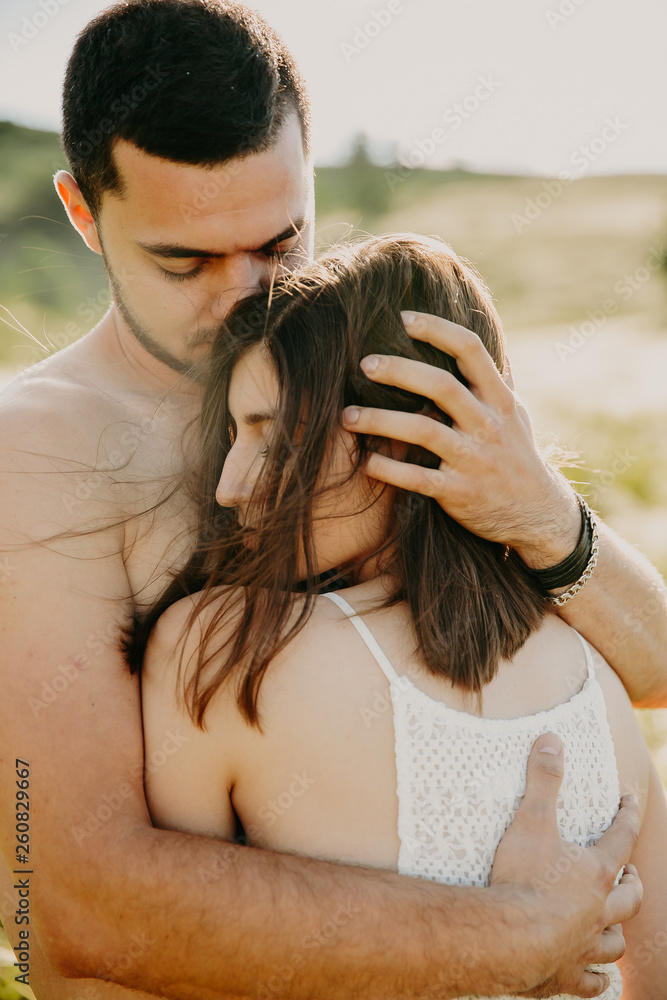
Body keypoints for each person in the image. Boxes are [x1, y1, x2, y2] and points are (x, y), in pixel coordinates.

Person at [0, 0, 660, 997]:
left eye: (279, 239)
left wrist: (544, 521)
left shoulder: (361, 375)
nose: (244, 293)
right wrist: (512, 935)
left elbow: (647, 675)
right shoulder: (29, 454)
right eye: (185, 259)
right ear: (84, 214)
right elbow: (68, 909)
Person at [130, 233, 667, 1000]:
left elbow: (164, 958)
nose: (228, 485)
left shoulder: (221, 650)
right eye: (230, 434)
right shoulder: (596, 665)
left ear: (405, 438)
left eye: (271, 435)